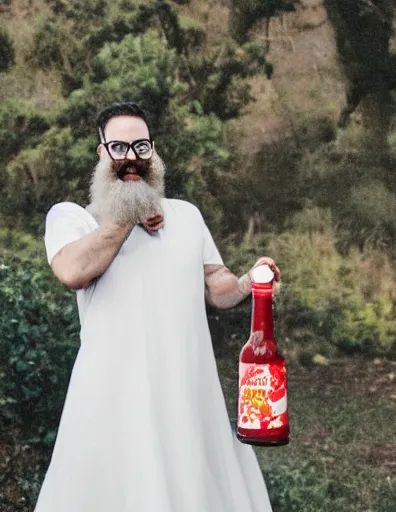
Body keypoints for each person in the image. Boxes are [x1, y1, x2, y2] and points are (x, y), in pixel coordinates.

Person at [35, 102, 280, 512]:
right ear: (101, 154)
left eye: (141, 146)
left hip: (188, 392)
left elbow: (213, 284)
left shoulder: (185, 216)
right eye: (118, 146)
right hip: (111, 401)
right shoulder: (74, 217)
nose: (131, 157)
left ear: (154, 152)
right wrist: (128, 213)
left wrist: (245, 283)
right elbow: (72, 270)